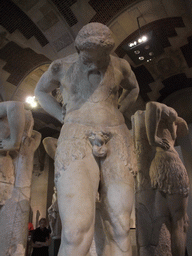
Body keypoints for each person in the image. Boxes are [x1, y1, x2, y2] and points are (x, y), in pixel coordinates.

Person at [35, 22, 139, 256]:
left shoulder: (120, 65)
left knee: (120, 226)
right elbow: (40, 91)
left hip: (117, 136)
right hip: (76, 137)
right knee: (75, 231)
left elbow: (133, 88)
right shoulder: (61, 66)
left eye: (100, 59)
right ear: (78, 50)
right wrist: (60, 113)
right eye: (87, 59)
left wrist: (120, 109)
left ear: (108, 52)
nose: (94, 64)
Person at [145, 101, 189, 256]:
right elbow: (152, 105)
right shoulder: (172, 114)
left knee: (165, 221)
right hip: (171, 164)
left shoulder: (166, 124)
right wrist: (153, 139)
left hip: (158, 166)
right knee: (180, 222)